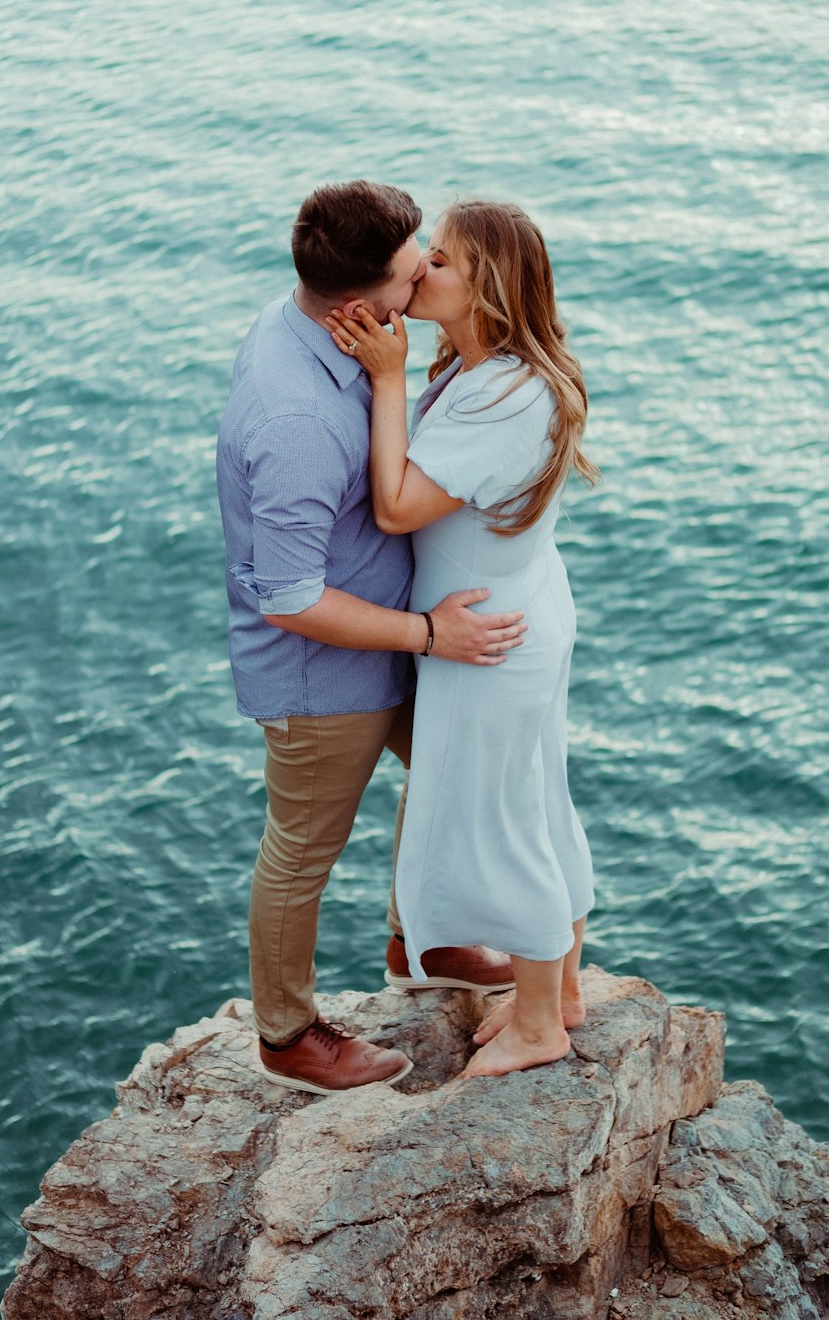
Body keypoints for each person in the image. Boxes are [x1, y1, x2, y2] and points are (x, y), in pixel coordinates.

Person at [216, 181, 521, 1096]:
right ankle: (288, 1036)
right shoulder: (299, 419)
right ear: (358, 301)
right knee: (302, 852)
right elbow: (290, 597)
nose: (427, 269)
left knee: (451, 771)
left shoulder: (314, 325)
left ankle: (419, 940)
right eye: (412, 266)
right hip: (327, 672)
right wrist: (432, 633)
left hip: (387, 638)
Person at [324, 198, 598, 1078]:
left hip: (489, 636)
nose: (418, 266)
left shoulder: (505, 396)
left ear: (486, 286)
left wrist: (386, 379)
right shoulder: (486, 367)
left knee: (504, 817)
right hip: (513, 612)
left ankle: (539, 1026)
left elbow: (400, 505)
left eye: (439, 259)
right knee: (535, 802)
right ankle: (558, 989)